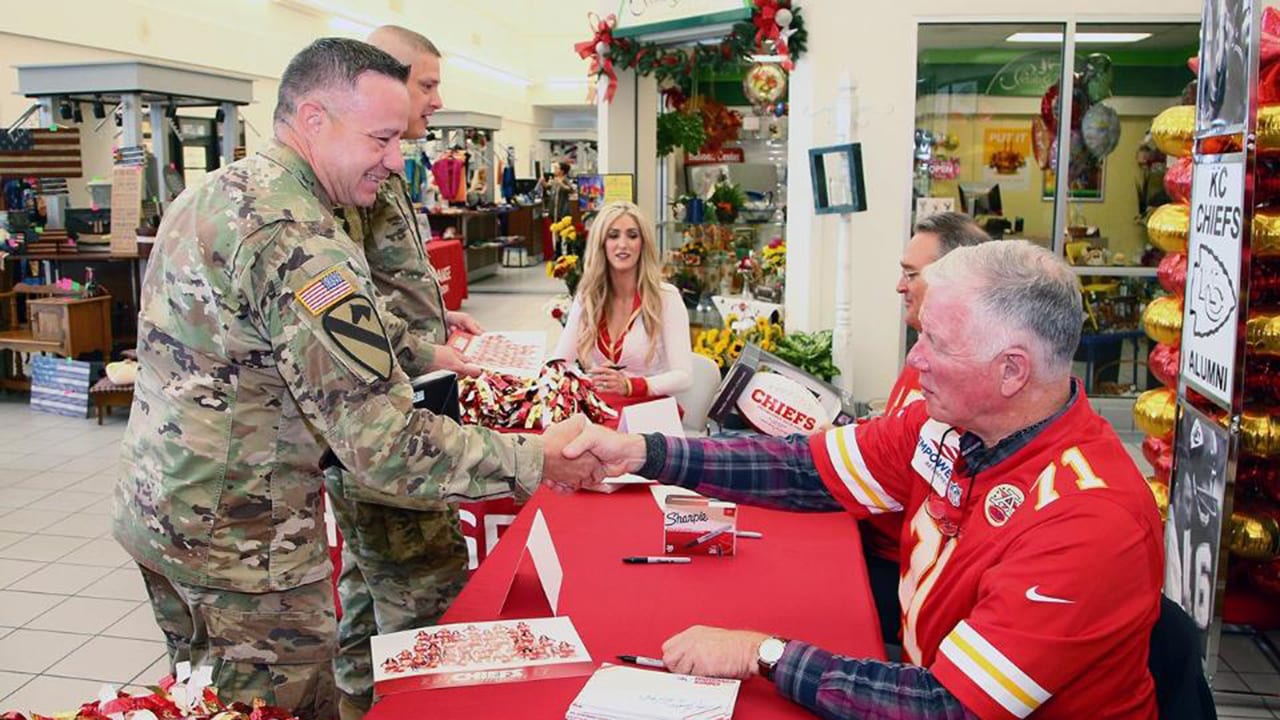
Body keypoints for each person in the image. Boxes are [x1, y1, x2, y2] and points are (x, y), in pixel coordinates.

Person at [113, 38, 597, 718]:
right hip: (248, 554)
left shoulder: (217, 194)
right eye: (381, 138)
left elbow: (281, 332)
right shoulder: (301, 240)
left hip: (162, 515)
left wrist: (422, 348)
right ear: (313, 119)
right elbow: (384, 445)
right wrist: (536, 458)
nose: (396, 159)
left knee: (199, 701)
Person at [565, 241, 1163, 718]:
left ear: (1011, 370)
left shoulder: (1089, 519)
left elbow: (946, 707)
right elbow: (804, 468)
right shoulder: (953, 425)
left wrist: (762, 653)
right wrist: (642, 452)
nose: (914, 360)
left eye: (935, 342)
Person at [320, 25, 480, 720]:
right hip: (384, 426)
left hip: (409, 402)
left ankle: (362, 705)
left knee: (364, 591)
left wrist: (436, 326)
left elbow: (385, 284)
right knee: (426, 596)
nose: (438, 100)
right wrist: (421, 348)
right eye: (428, 84)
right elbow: (338, 305)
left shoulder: (386, 168)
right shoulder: (347, 178)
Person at [864, 211, 991, 649]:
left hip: (900, 571)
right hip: (894, 558)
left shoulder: (961, 388)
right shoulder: (921, 357)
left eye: (910, 275)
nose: (900, 287)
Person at [551, 201, 692, 403]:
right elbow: (560, 363)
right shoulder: (588, 296)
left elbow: (684, 377)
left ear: (643, 244)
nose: (623, 244)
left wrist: (630, 385)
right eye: (613, 235)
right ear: (601, 244)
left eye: (632, 236)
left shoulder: (666, 298)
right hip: (601, 407)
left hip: (651, 413)